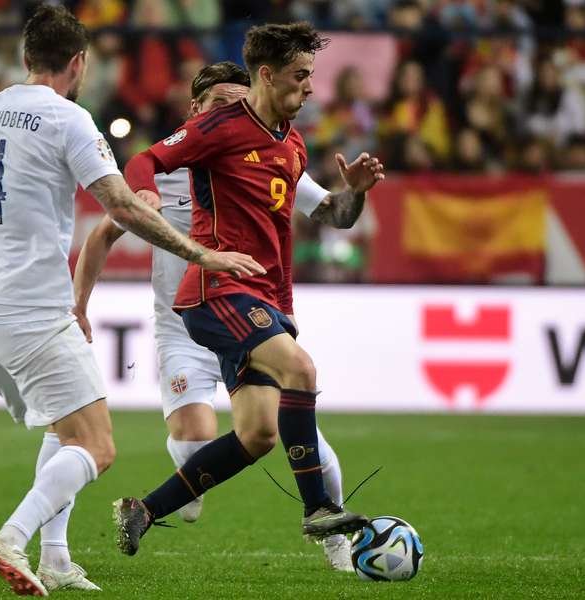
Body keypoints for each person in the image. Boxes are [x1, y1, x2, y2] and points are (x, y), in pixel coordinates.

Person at [0, 4, 263, 596]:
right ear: (79, 63)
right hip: (34, 310)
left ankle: (57, 557)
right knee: (97, 445)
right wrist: (203, 255)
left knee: (64, 427)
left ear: (24, 58)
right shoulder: (69, 119)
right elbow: (121, 208)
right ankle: (10, 539)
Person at [112, 22, 385, 557]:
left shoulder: (293, 141)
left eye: (311, 76)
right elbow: (146, 160)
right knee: (301, 370)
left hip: (270, 299)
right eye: (300, 76)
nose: (310, 88)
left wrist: (354, 195)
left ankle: (143, 510)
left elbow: (337, 217)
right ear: (267, 74)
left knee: (258, 434)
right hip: (219, 289)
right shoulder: (220, 127)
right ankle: (319, 510)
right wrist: (143, 190)